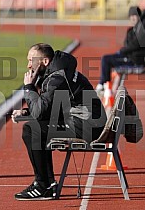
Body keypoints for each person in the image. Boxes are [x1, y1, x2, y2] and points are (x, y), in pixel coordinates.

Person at [11, 43, 106, 200]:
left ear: (45, 62)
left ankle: (43, 185)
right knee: (35, 128)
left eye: (30, 60)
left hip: (86, 126)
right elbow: (50, 109)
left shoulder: (56, 78)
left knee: (32, 130)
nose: (28, 65)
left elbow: (41, 112)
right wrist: (26, 112)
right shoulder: (60, 73)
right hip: (87, 122)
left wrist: (28, 88)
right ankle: (46, 184)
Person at [96, 6, 145, 93]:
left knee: (106, 59)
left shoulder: (141, 29)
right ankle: (105, 85)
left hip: (134, 60)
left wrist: (122, 51)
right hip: (128, 56)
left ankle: (104, 85)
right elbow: (127, 44)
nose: (133, 18)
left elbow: (135, 45)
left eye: (135, 15)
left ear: (139, 17)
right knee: (107, 58)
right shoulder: (131, 30)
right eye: (131, 16)